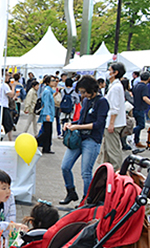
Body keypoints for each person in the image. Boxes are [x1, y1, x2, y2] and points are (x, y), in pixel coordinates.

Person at [59, 75, 109, 205]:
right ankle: (71, 191)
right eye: (81, 92)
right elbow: (81, 120)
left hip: (92, 140)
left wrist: (77, 126)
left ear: (91, 89)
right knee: (65, 166)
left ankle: (87, 200)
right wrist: (71, 124)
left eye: (84, 92)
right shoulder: (86, 101)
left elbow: (99, 124)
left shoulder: (102, 102)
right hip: (79, 138)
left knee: (86, 172)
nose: (83, 95)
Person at [98, 62, 127, 170]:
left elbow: (114, 108)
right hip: (113, 122)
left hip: (114, 123)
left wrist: (111, 124)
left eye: (110, 70)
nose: (108, 72)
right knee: (108, 149)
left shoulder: (116, 87)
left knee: (112, 149)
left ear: (115, 73)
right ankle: (109, 171)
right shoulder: (114, 86)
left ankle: (116, 171)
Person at [132, 72, 150, 148]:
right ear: (148, 78)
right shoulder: (144, 87)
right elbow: (145, 98)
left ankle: (137, 141)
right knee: (141, 125)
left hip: (135, 107)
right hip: (140, 108)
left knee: (138, 124)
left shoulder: (136, 85)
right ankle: (128, 132)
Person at [37, 75, 56, 154]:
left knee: (48, 132)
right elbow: (46, 103)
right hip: (47, 114)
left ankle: (46, 148)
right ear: (48, 82)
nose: (54, 82)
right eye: (52, 80)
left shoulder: (49, 91)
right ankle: (37, 142)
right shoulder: (47, 91)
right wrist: (47, 114)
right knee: (46, 132)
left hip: (49, 113)